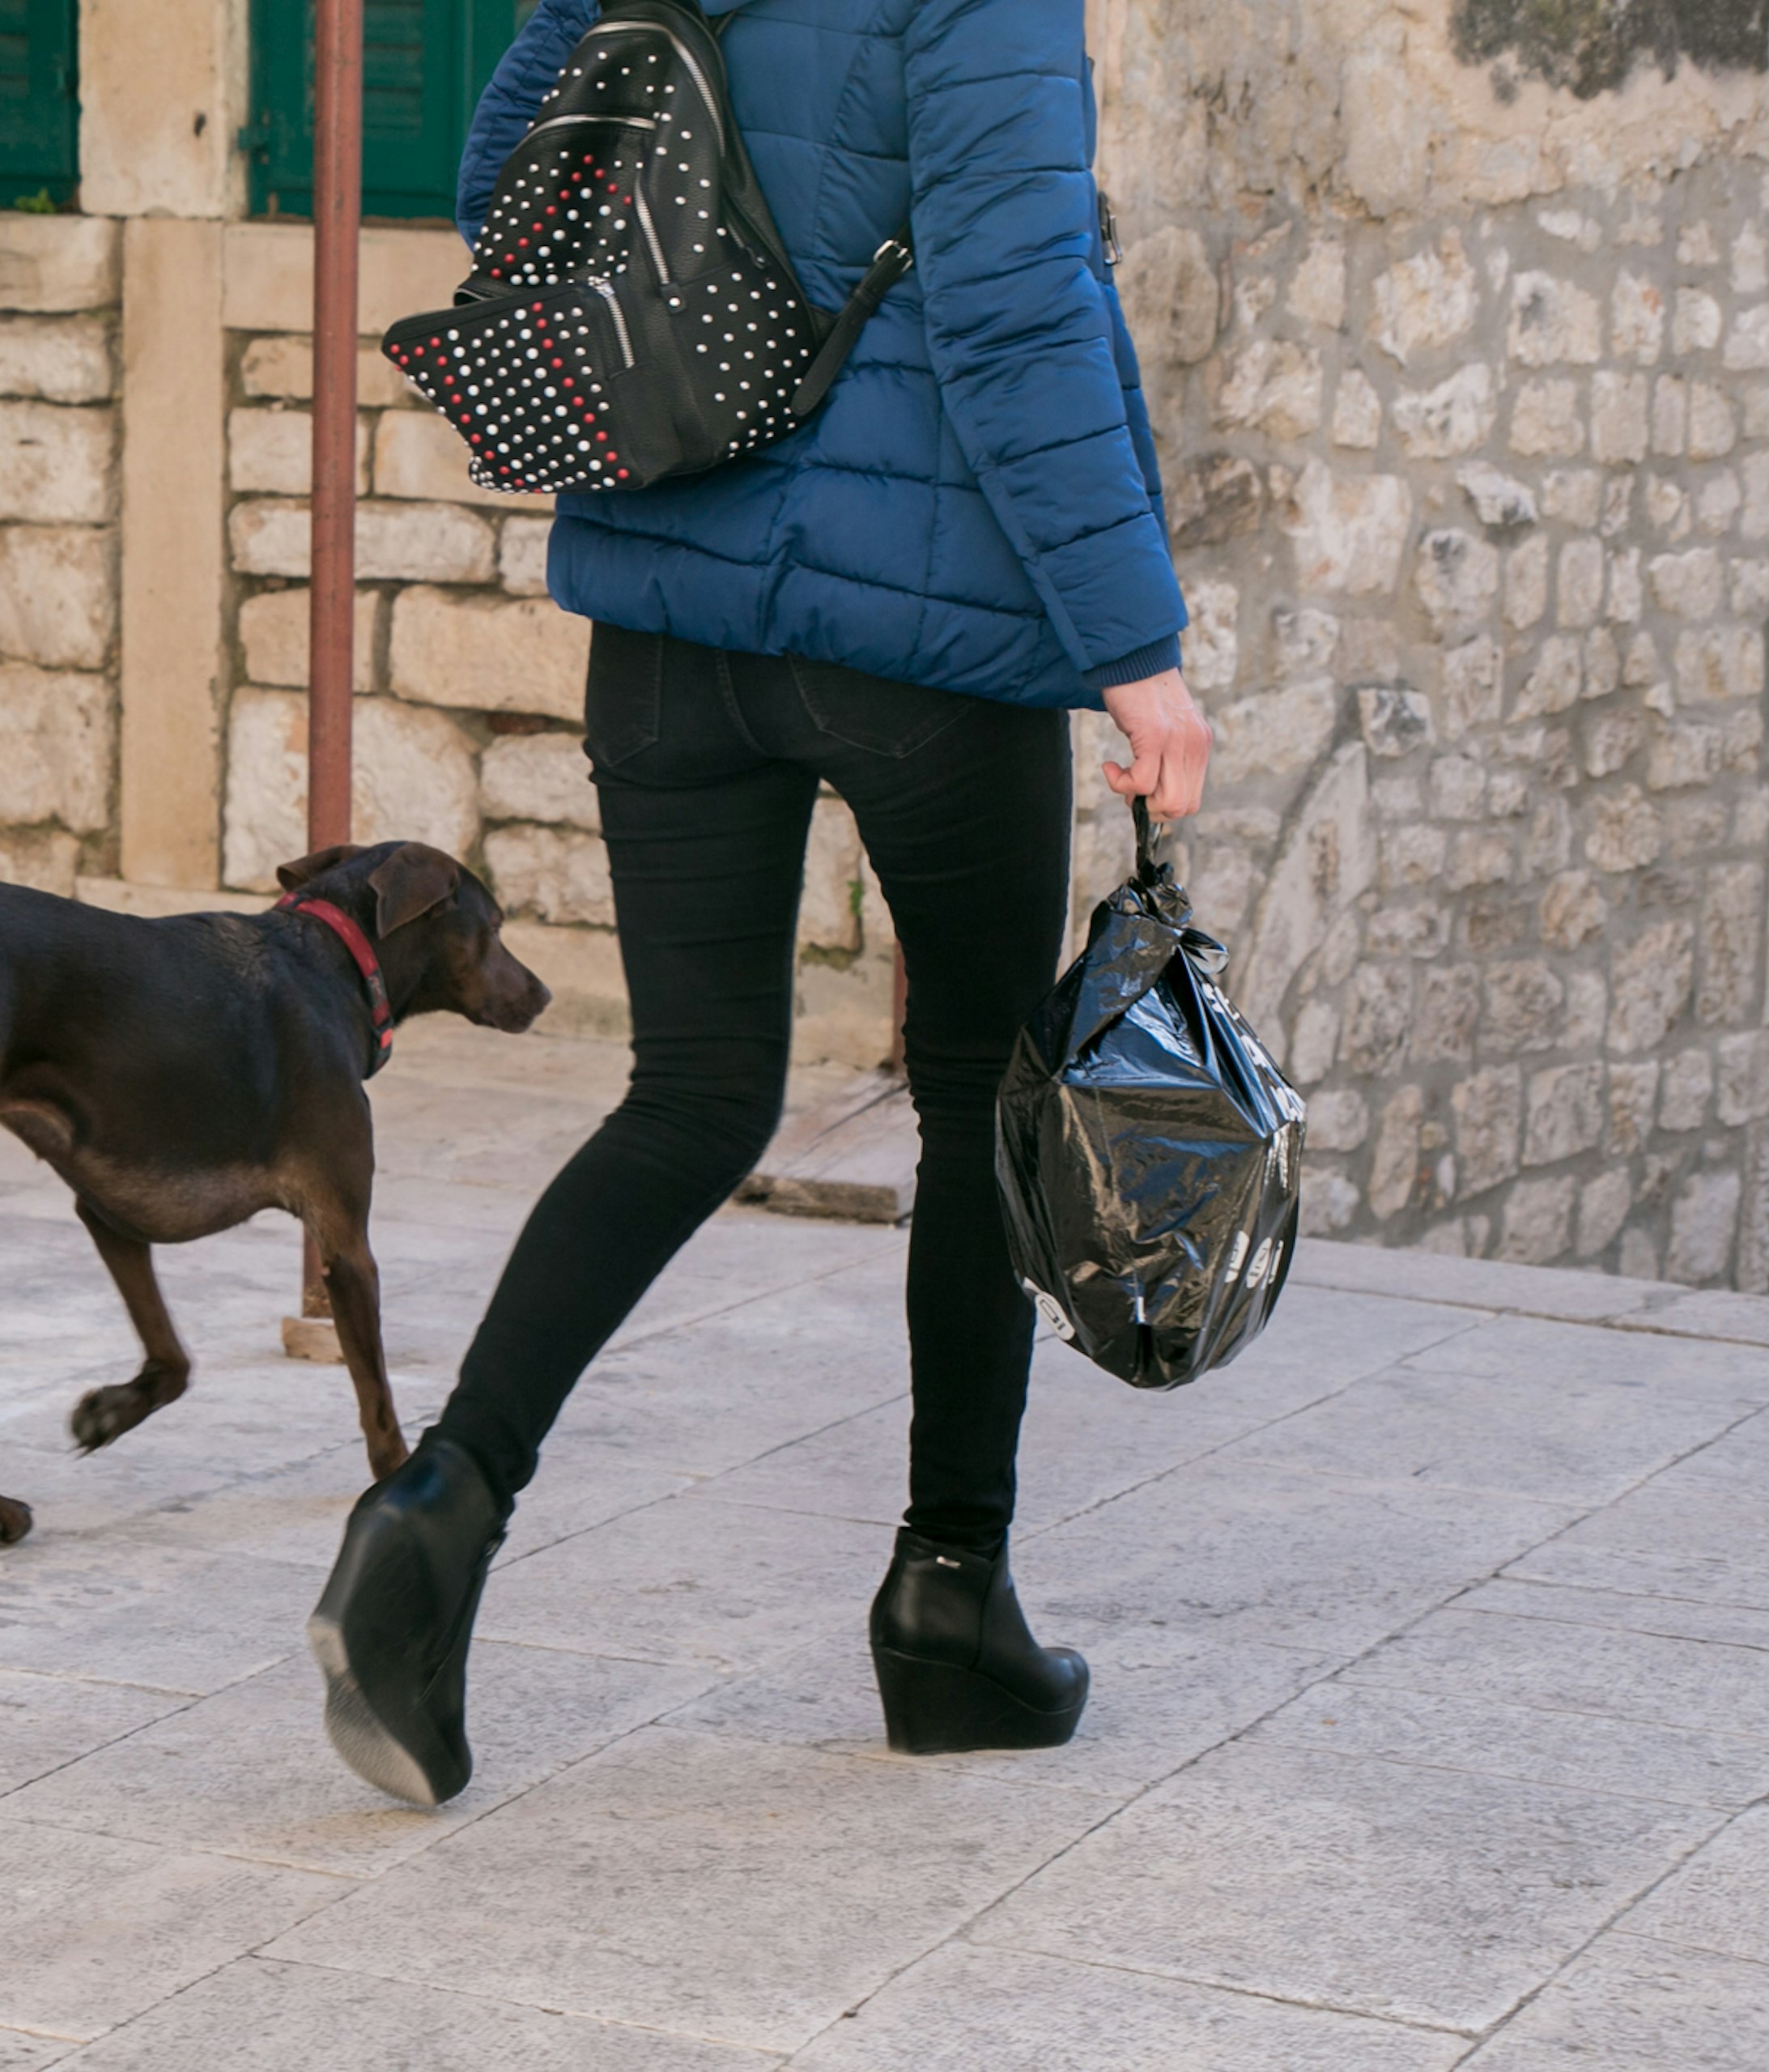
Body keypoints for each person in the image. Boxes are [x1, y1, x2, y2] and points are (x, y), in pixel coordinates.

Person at [305, 0, 1213, 1806]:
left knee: (697, 1089)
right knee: (980, 1096)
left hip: (670, 599)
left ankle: (442, 1502)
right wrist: (1137, 652)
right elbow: (1017, 305)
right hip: (935, 635)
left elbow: (509, 181)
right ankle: (951, 1603)